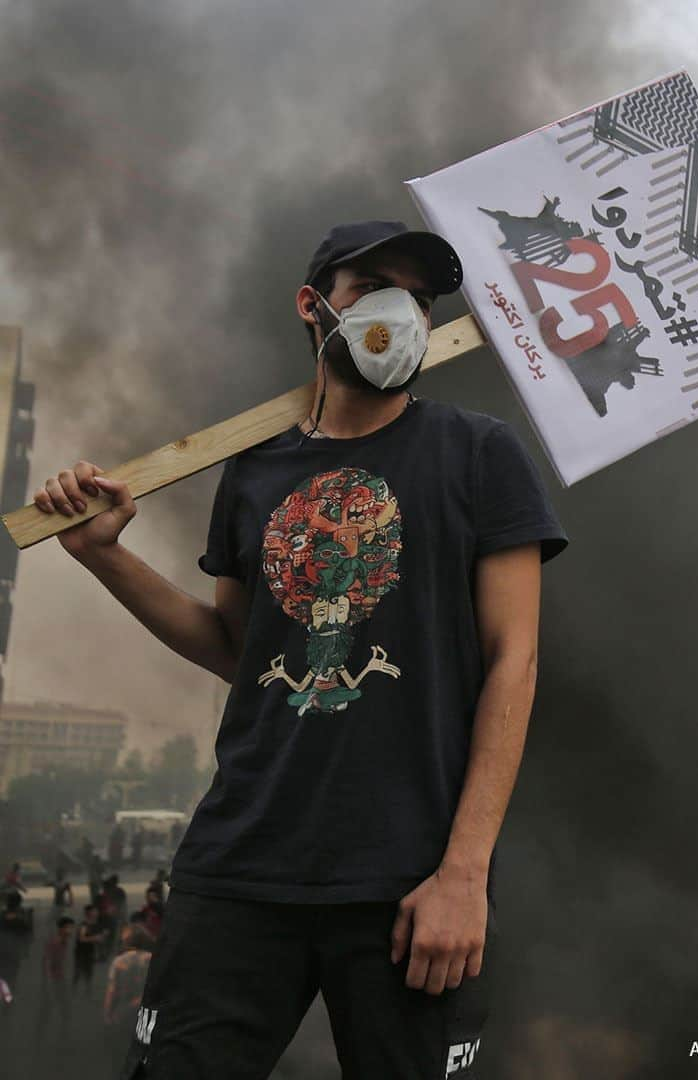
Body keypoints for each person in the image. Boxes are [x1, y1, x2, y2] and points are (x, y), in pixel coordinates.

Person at [33, 219, 568, 1080]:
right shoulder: (252, 471)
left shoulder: (478, 454)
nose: (401, 312)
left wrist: (464, 874)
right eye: (373, 291)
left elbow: (516, 660)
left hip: (410, 881)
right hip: (243, 862)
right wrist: (105, 556)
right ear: (313, 306)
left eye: (421, 299)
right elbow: (235, 649)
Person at [103, 924, 155, 1070]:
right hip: (145, 1011)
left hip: (123, 1011)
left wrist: (108, 1013)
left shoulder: (119, 962)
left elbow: (112, 992)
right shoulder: (152, 959)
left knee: (122, 1051)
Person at [36, 915, 75, 1039]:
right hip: (53, 982)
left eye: (71, 928)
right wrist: (49, 984)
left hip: (60, 981)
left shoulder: (64, 942)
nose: (70, 931)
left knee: (65, 1010)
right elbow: (47, 963)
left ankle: (63, 1035)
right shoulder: (54, 943)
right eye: (68, 928)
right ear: (61, 929)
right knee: (48, 1010)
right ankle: (39, 1037)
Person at [73, 903, 106, 991]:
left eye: (96, 911)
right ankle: (74, 992)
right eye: (94, 911)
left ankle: (87, 992)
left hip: (90, 953)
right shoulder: (84, 925)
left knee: (88, 975)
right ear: (88, 913)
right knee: (78, 974)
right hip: (81, 954)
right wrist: (96, 938)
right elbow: (81, 938)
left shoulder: (96, 924)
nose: (96, 913)